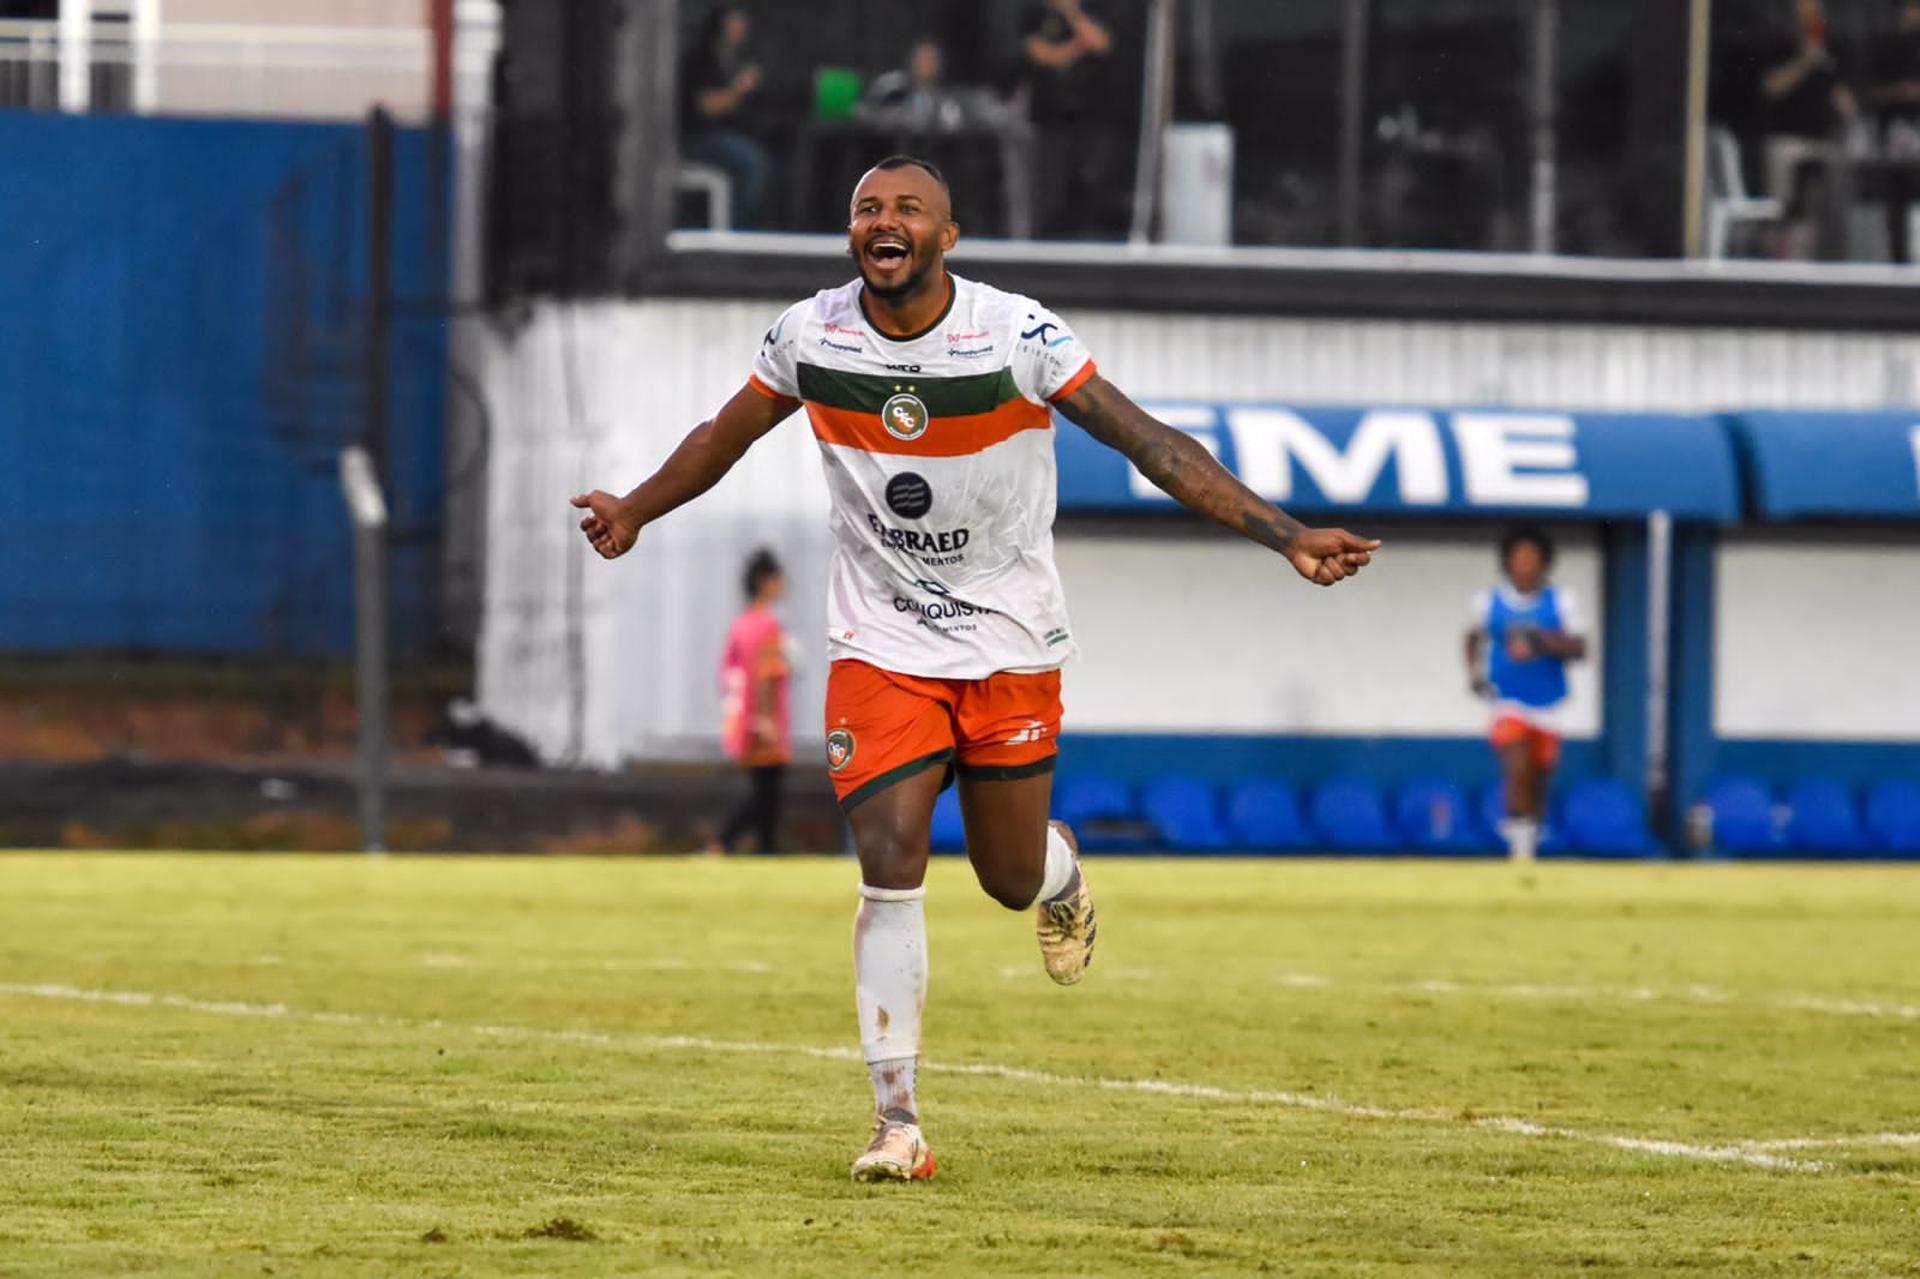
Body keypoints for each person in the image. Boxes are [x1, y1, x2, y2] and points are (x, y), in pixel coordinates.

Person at [571, 155, 1379, 1182]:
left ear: (948, 234)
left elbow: (1153, 446)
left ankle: (1058, 869)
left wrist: (1287, 534)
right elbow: (719, 437)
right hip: (883, 643)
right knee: (891, 852)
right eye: (866, 208)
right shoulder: (810, 333)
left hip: (1006, 641)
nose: (884, 221)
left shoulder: (1015, 335)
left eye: (908, 208)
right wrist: (635, 507)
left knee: (1004, 876)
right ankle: (895, 1120)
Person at [1464, 527, 1586, 865]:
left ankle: (1529, 834)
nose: (1525, 565)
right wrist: (1475, 675)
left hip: (1549, 702)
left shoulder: (1561, 602)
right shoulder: (1489, 601)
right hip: (1507, 699)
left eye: (1532, 558)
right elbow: (1473, 637)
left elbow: (1579, 647)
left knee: (1538, 774)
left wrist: (1543, 642)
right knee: (1516, 767)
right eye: (1518, 558)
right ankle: (1518, 845)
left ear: (1544, 563)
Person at [1017, 0, 1120, 238]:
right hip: (1049, 119)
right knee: (1050, 190)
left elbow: (1101, 43)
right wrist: (1077, 47)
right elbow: (1042, 54)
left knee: (1088, 186)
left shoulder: (1096, 11)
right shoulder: (1034, 14)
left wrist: (1072, 14)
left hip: (1090, 117)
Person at [712, 548, 791, 854]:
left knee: (763, 789)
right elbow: (766, 675)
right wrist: (765, 717)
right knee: (766, 791)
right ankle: (726, 842)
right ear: (764, 581)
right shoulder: (768, 626)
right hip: (763, 719)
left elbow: (729, 673)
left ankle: (760, 847)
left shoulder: (741, 625)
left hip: (743, 718)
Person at [1759, 0, 1860, 210]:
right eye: (1803, 14)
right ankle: (1780, 236)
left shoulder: (1833, 51)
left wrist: (1850, 117)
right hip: (1786, 139)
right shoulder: (1781, 45)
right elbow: (1772, 88)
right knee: (1782, 199)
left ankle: (1831, 233)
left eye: (1814, 14)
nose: (1809, 20)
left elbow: (1846, 103)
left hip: (1824, 141)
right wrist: (1804, 62)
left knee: (1838, 179)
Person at [680, 4, 770, 228]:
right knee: (751, 162)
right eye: (736, 23)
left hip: (725, 135)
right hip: (699, 138)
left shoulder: (732, 59)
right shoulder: (701, 58)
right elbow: (706, 107)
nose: (741, 28)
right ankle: (737, 229)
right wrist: (739, 89)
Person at [1870, 0, 1920, 260]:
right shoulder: (1886, 46)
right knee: (1896, 202)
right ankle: (1897, 259)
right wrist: (1899, 92)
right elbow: (1871, 91)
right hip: (1893, 134)